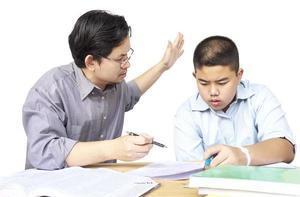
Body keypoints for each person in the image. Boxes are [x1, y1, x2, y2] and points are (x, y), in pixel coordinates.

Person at [23, 10, 184, 170]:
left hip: (101, 186)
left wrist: (163, 66)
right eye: (120, 58)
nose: (127, 64)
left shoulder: (116, 85)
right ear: (91, 62)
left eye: (127, 55)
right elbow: (44, 151)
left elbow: (131, 93)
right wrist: (114, 149)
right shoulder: (50, 89)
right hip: (51, 190)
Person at [174, 36, 295, 168]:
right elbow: (190, 171)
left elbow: (286, 149)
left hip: (259, 187)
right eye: (204, 83)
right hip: (211, 188)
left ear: (239, 75)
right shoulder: (186, 114)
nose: (213, 91)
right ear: (195, 76)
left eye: (222, 82)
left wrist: (243, 155)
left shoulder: (260, 97)